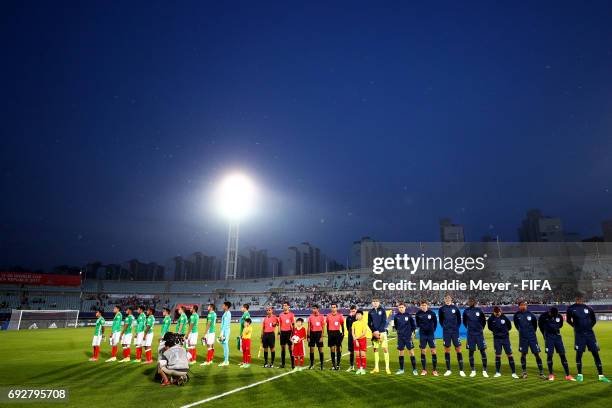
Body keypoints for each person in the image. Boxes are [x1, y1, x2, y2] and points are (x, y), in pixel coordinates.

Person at [566, 296, 610, 382]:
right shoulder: (571, 308)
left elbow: (594, 320)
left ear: (583, 299)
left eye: (581, 298)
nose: (580, 299)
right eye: (578, 298)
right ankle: (579, 375)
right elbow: (568, 320)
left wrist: (589, 327)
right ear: (576, 299)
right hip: (579, 335)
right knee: (579, 354)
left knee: (595, 353)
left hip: (590, 335)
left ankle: (601, 376)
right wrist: (575, 327)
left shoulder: (589, 308)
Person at [538, 306, 573, 381]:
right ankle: (551, 374)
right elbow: (540, 326)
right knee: (549, 355)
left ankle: (568, 375)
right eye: (552, 315)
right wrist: (544, 335)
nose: (553, 316)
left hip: (557, 337)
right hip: (549, 337)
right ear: (549, 312)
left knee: (562, 354)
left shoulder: (559, 316)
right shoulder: (543, 316)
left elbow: (560, 325)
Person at [513, 301, 545, 379]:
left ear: (526, 306)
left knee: (537, 354)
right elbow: (516, 325)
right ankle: (524, 373)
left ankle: (541, 373)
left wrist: (530, 333)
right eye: (521, 305)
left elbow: (535, 325)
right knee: (523, 354)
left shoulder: (531, 315)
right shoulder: (516, 315)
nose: (523, 306)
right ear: (519, 306)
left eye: (524, 305)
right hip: (523, 338)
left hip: (532, 338)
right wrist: (522, 331)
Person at [487, 306, 518, 378]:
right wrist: (496, 332)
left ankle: (513, 373)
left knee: (509, 354)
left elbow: (509, 327)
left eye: (498, 312)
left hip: (505, 339)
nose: (497, 314)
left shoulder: (504, 318)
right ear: (494, 312)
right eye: (496, 313)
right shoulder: (491, 319)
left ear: (500, 311)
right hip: (497, 339)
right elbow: (489, 327)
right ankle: (498, 372)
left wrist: (504, 332)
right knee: (498, 355)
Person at [438, 294, 465, 377]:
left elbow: (459, 320)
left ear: (451, 299)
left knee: (458, 349)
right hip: (446, 332)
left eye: (449, 298)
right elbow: (441, 320)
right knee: (447, 350)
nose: (447, 299)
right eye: (446, 298)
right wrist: (446, 327)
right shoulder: (441, 309)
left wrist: (455, 328)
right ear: (444, 299)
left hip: (455, 332)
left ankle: (461, 370)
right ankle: (448, 370)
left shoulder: (455, 308)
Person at [462, 298, 488, 377]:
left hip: (479, 334)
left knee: (483, 352)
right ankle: (473, 370)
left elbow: (483, 321)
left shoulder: (479, 310)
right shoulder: (466, 311)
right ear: (468, 302)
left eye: (472, 301)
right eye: (469, 301)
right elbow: (464, 322)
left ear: (475, 302)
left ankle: (484, 370)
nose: (470, 302)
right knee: (471, 352)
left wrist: (480, 329)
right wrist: (470, 329)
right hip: (470, 335)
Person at [393, 302, 417, 375]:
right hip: (400, 337)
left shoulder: (408, 316)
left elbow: (413, 326)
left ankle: (414, 369)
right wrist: (400, 332)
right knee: (400, 353)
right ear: (398, 308)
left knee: (411, 352)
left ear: (405, 307)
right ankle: (401, 369)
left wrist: (412, 333)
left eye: (402, 307)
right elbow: (396, 326)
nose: (401, 308)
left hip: (408, 337)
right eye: (399, 307)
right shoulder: (396, 316)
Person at [415, 300, 438, 376]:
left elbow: (435, 323)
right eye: (422, 305)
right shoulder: (418, 314)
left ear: (427, 305)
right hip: (422, 335)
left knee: (433, 351)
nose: (423, 306)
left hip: (431, 335)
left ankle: (434, 370)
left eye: (425, 305)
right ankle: (424, 370)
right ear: (420, 306)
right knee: (423, 351)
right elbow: (418, 324)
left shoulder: (432, 313)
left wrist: (432, 330)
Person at [368, 298, 390, 374]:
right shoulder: (370, 312)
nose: (375, 303)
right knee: (375, 349)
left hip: (382, 333)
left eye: (376, 301)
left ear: (379, 302)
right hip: (374, 333)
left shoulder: (382, 310)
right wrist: (374, 331)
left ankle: (387, 368)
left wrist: (378, 331)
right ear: (372, 303)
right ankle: (376, 368)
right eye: (374, 302)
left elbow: (384, 321)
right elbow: (369, 323)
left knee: (385, 349)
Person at [326, 303, 345, 370]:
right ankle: (333, 365)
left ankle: (338, 365)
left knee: (338, 349)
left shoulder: (340, 316)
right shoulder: (328, 315)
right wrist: (328, 333)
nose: (333, 308)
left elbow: (342, 325)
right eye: (332, 307)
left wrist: (343, 332)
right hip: (331, 333)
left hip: (337, 333)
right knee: (332, 349)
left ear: (337, 308)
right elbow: (327, 325)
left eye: (334, 307)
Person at [307, 305, 326, 370]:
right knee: (311, 349)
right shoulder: (310, 317)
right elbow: (309, 327)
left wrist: (322, 337)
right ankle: (311, 364)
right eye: (313, 309)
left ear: (318, 309)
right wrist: (308, 336)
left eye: (314, 308)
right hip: (312, 334)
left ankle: (322, 365)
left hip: (319, 334)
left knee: (320, 350)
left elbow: (323, 328)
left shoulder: (321, 316)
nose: (313, 310)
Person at [278, 302, 296, 368]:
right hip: (282, 333)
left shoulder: (291, 315)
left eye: (285, 305)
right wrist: (279, 332)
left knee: (290, 348)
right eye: (283, 306)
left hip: (289, 333)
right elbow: (279, 324)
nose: (284, 307)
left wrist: (293, 333)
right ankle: (283, 364)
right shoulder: (280, 315)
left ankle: (293, 364)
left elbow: (293, 325)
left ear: (288, 306)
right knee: (283, 348)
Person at [352, 310, 368, 375]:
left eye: (359, 314)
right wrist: (355, 340)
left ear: (362, 315)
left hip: (362, 340)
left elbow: (364, 333)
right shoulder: (354, 323)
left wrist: (356, 338)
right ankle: (359, 368)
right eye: (357, 314)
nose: (358, 315)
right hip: (356, 340)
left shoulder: (364, 323)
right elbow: (353, 333)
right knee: (358, 355)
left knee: (363, 354)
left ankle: (363, 369)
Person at [219, 301, 232, 366]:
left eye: (223, 305)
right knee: (224, 346)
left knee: (225, 345)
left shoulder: (227, 313)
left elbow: (225, 325)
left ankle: (226, 361)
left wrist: (222, 333)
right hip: (224, 331)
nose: (222, 306)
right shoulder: (226, 313)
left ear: (226, 306)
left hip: (225, 332)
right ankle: (225, 360)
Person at [345, 306, 357, 372]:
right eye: (351, 311)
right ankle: (351, 366)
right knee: (351, 351)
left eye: (354, 311)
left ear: (356, 310)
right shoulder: (348, 318)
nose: (352, 312)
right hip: (350, 337)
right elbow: (347, 327)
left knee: (359, 352)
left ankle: (360, 367)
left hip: (357, 336)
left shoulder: (358, 317)